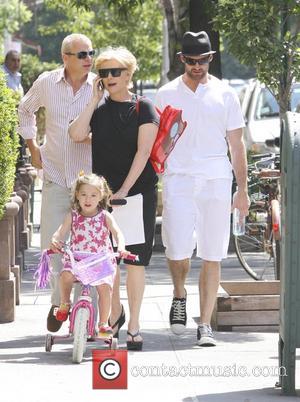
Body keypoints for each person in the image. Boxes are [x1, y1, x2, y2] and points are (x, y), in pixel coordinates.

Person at [155, 31, 250, 346]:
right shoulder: (165, 93)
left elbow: (237, 145)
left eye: (203, 60)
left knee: (212, 253)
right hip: (178, 178)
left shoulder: (226, 94)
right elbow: (156, 143)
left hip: (216, 179)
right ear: (182, 59)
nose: (198, 66)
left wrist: (243, 190)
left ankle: (205, 324)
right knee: (177, 250)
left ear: (211, 58)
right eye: (191, 61)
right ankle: (179, 293)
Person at [69, 46, 159, 350]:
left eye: (115, 71)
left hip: (136, 193)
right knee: (109, 263)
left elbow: (143, 152)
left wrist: (122, 191)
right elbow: (77, 134)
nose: (109, 77)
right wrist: (93, 99)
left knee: (134, 261)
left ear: (129, 74)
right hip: (104, 200)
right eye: (103, 72)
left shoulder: (144, 107)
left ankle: (134, 324)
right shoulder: (100, 109)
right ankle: (115, 318)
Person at [18, 33, 96, 333]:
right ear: (65, 57)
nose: (88, 58)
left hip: (88, 184)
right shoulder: (47, 83)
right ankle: (58, 303)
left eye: (91, 53)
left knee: (87, 249)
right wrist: (32, 146)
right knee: (53, 247)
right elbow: (25, 109)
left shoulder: (98, 86)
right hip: (54, 177)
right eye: (82, 54)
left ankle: (80, 311)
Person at [50, 173, 128, 337]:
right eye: (84, 194)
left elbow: (118, 233)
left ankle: (102, 324)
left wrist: (121, 247)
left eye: (93, 195)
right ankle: (65, 303)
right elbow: (60, 232)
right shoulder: (72, 216)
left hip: (99, 261)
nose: (88, 199)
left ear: (101, 196)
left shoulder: (105, 216)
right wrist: (55, 239)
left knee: (105, 288)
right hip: (77, 260)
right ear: (77, 195)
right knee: (65, 275)